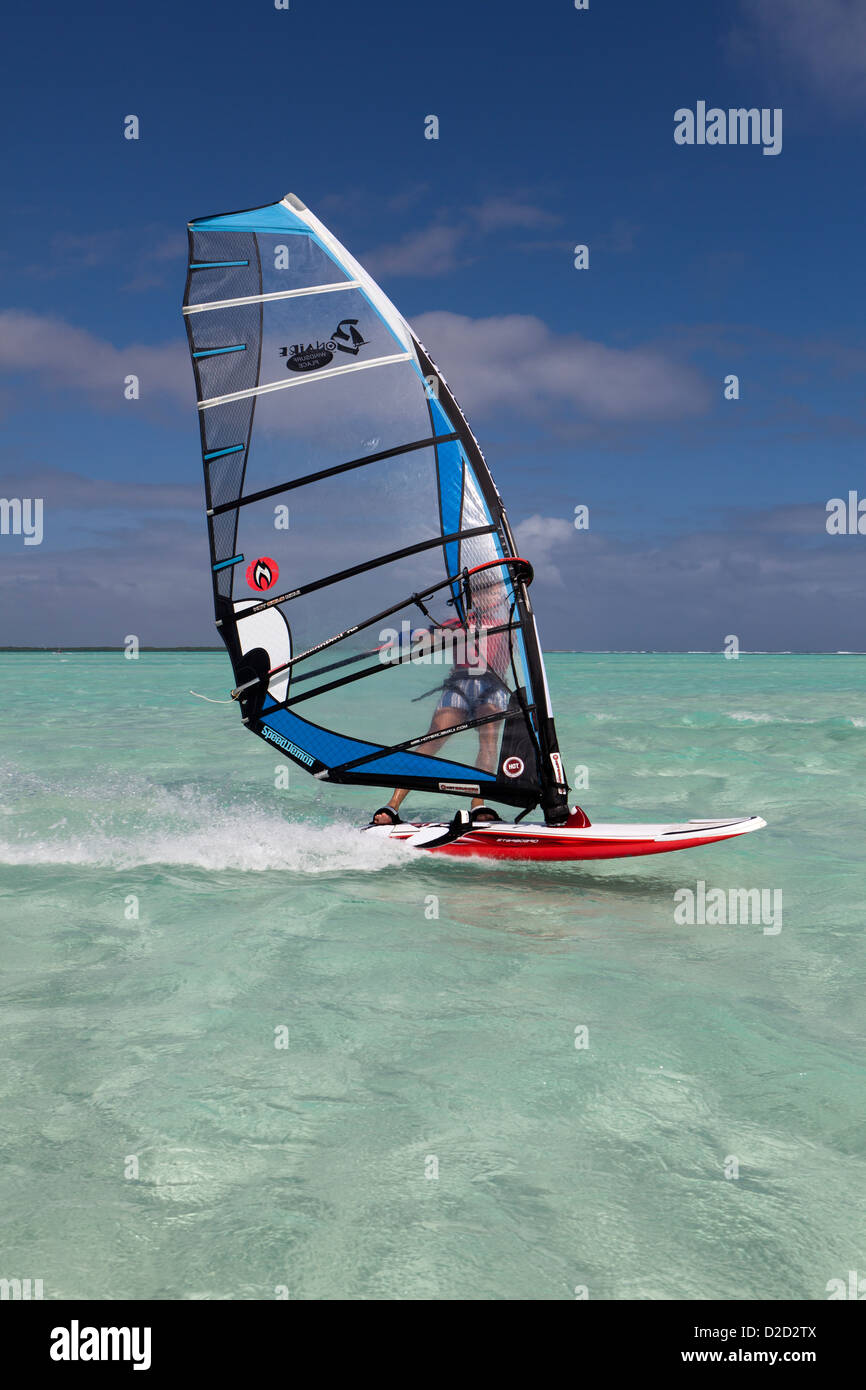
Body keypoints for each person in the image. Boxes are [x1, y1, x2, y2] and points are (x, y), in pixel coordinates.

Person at [370, 575, 512, 826]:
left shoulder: (508, 624)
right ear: (474, 597)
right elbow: (425, 635)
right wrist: (392, 642)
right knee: (432, 739)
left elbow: (518, 652)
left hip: (492, 686)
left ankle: (479, 805)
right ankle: (392, 805)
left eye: (495, 593)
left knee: (488, 742)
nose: (490, 598)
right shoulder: (459, 622)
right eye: (483, 593)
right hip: (459, 684)